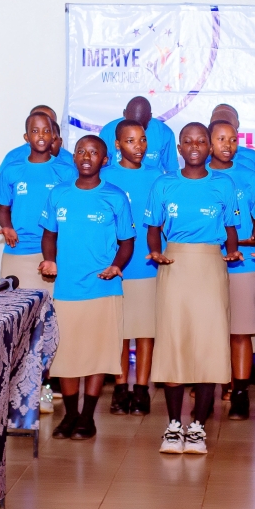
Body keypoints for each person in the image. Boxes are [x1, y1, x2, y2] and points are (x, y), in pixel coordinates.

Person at [145, 122, 243, 455]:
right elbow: (153, 229)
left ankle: (198, 426)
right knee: (174, 342)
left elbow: (231, 228)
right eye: (188, 141)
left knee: (208, 345)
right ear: (179, 149)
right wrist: (156, 252)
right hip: (174, 265)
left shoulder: (224, 184)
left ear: (209, 147)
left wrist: (232, 251)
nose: (195, 146)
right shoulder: (163, 184)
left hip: (210, 266)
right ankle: (174, 425)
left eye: (201, 141)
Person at [38, 135, 135, 440]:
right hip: (66, 289)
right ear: (74, 157)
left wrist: (117, 265)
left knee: (97, 354)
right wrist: (49, 260)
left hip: (102, 288)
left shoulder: (115, 196)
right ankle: (70, 415)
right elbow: (49, 235)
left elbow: (127, 242)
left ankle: (87, 418)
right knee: (67, 355)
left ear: (104, 160)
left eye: (94, 152)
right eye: (81, 151)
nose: (86, 156)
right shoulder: (58, 194)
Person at [99, 119, 164, 416]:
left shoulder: (157, 176)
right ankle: (120, 387)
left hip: (148, 265)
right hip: (117, 266)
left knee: (146, 331)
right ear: (117, 145)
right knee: (121, 331)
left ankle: (141, 390)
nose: (138, 146)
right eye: (130, 140)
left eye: (142, 140)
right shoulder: (105, 176)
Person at [208, 119, 255, 420]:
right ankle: (210, 387)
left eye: (232, 139)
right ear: (208, 143)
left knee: (241, 331)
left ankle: (240, 393)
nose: (227, 145)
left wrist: (253, 239)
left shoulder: (248, 176)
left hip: (242, 263)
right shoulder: (196, 176)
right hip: (206, 264)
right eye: (220, 139)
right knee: (209, 330)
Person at [0, 111, 77, 293]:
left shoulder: (67, 172)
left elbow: (74, 213)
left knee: (53, 308)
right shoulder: (11, 170)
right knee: (14, 308)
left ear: (54, 136)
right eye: (35, 131)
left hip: (56, 253)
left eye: (46, 131)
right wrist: (7, 227)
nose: (41, 135)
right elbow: (3, 209)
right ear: (26, 137)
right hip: (19, 250)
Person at [0, 105, 74, 184]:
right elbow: (1, 188)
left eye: (49, 123)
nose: (41, 133)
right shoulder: (13, 156)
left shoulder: (68, 159)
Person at [100, 96, 178, 174]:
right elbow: (102, 167)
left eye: (143, 139)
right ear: (124, 114)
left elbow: (172, 170)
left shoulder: (164, 133)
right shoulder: (107, 132)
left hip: (152, 181)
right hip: (116, 180)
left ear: (150, 117)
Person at [210, 104, 255, 176]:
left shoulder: (250, 157)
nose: (224, 117)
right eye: (219, 115)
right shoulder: (201, 158)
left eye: (229, 115)